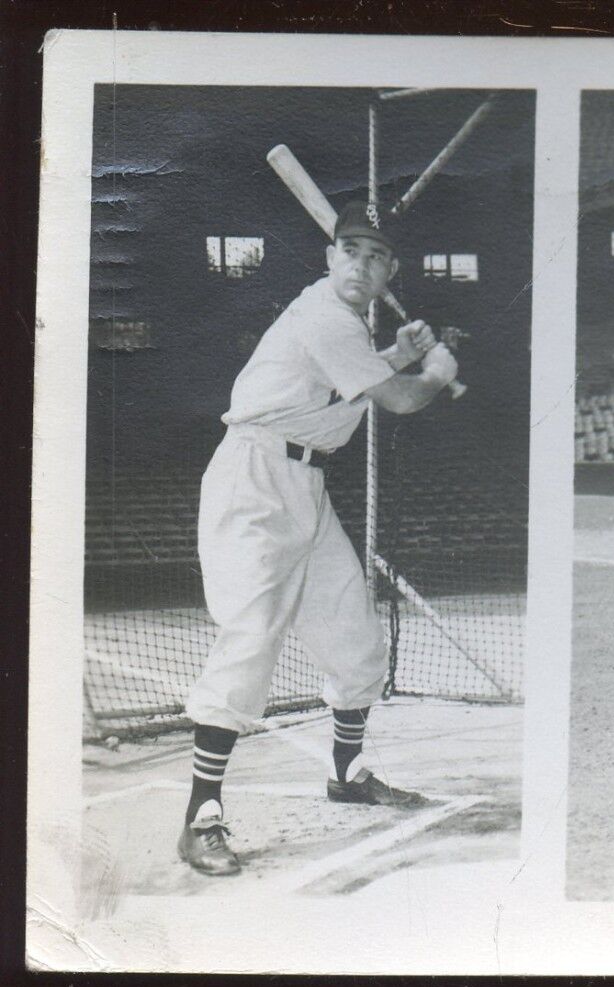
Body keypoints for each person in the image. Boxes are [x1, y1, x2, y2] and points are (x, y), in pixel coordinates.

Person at [178, 202, 460, 876]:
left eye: (375, 255)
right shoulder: (327, 316)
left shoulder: (345, 329)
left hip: (306, 485)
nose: (361, 264)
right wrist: (436, 374)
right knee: (249, 638)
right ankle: (201, 816)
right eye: (350, 251)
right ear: (329, 258)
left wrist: (400, 353)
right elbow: (397, 401)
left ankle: (348, 772)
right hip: (253, 482)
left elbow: (342, 385)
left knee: (353, 635)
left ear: (388, 268)